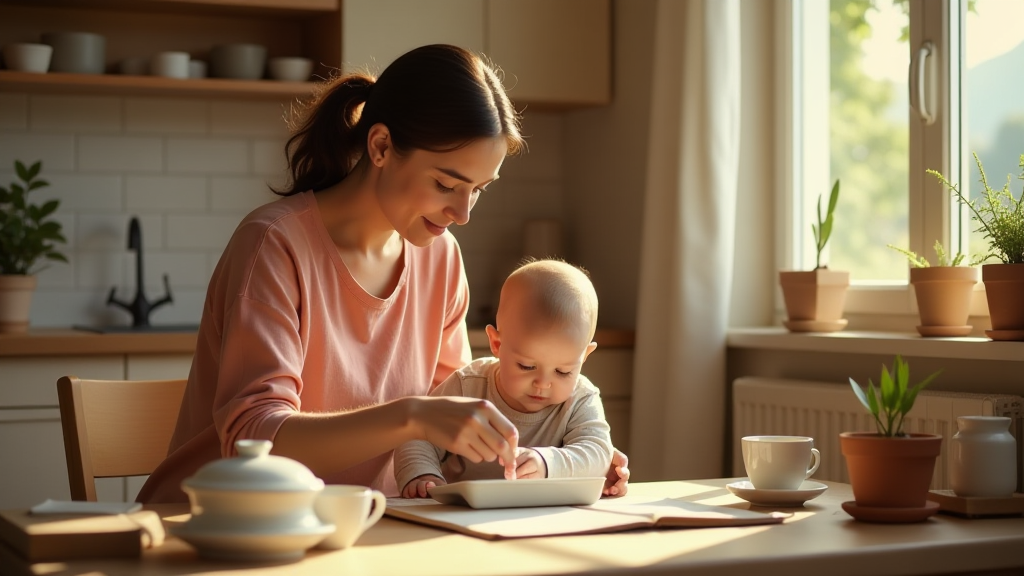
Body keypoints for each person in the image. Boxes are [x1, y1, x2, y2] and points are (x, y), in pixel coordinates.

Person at [136, 44, 628, 504]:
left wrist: (567, 459)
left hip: (370, 525)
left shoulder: (441, 257)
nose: (463, 213)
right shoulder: (275, 244)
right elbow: (255, 439)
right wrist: (412, 417)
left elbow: (450, 431)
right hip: (217, 527)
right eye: (445, 183)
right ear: (380, 146)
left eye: (479, 189)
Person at [395, 259, 613, 498]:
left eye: (563, 371)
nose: (543, 383)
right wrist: (423, 474)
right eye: (526, 366)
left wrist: (548, 462)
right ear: (496, 344)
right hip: (459, 514)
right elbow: (419, 435)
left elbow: (598, 453)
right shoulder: (468, 386)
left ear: (584, 357)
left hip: (542, 516)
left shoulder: (581, 398)